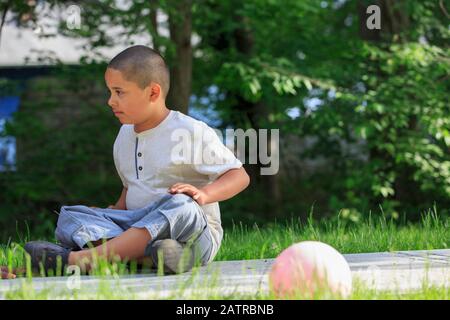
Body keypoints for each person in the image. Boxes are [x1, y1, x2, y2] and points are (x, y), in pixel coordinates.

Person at [20, 45, 250, 276]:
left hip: (193, 235)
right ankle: (152, 257)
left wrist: (204, 195)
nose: (111, 101)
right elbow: (131, 186)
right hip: (142, 230)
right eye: (110, 92)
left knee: (182, 204)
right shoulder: (124, 135)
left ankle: (83, 258)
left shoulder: (190, 131)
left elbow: (239, 176)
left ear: (152, 93)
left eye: (119, 92)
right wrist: (112, 212)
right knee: (72, 214)